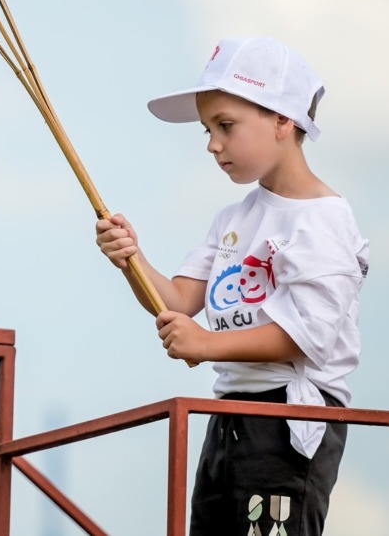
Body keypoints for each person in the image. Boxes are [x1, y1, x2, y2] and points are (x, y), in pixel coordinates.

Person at [94, 36, 369, 535]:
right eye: (207, 129)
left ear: (284, 120)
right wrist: (131, 259)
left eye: (226, 126)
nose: (212, 144)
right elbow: (177, 300)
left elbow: (309, 335)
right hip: (229, 417)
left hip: (289, 418)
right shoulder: (232, 219)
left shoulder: (324, 218)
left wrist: (207, 343)